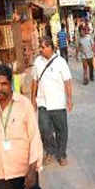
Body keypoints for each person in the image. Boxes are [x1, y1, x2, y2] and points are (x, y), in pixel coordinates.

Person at [31, 37, 73, 166]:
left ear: (50, 48)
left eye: (43, 47)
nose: (41, 49)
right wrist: (33, 98)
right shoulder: (37, 61)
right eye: (41, 47)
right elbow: (34, 81)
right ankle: (49, 151)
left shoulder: (61, 62)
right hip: (43, 102)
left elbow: (67, 81)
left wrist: (69, 99)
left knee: (61, 130)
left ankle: (61, 154)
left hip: (58, 102)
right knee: (44, 129)